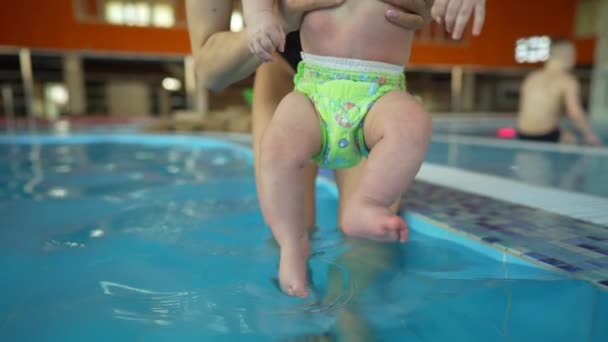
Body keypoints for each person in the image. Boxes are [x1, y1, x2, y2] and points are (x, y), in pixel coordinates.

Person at [242, 0, 487, 297]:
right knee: (276, 147)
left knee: (412, 120)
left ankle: (367, 203)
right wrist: (259, 15)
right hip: (314, 89)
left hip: (380, 93)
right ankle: (292, 243)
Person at [517, 38, 603, 146]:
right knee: (573, 141)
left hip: (522, 134)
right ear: (569, 56)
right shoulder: (567, 80)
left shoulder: (531, 77)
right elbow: (574, 112)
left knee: (564, 133)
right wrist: (589, 135)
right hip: (545, 136)